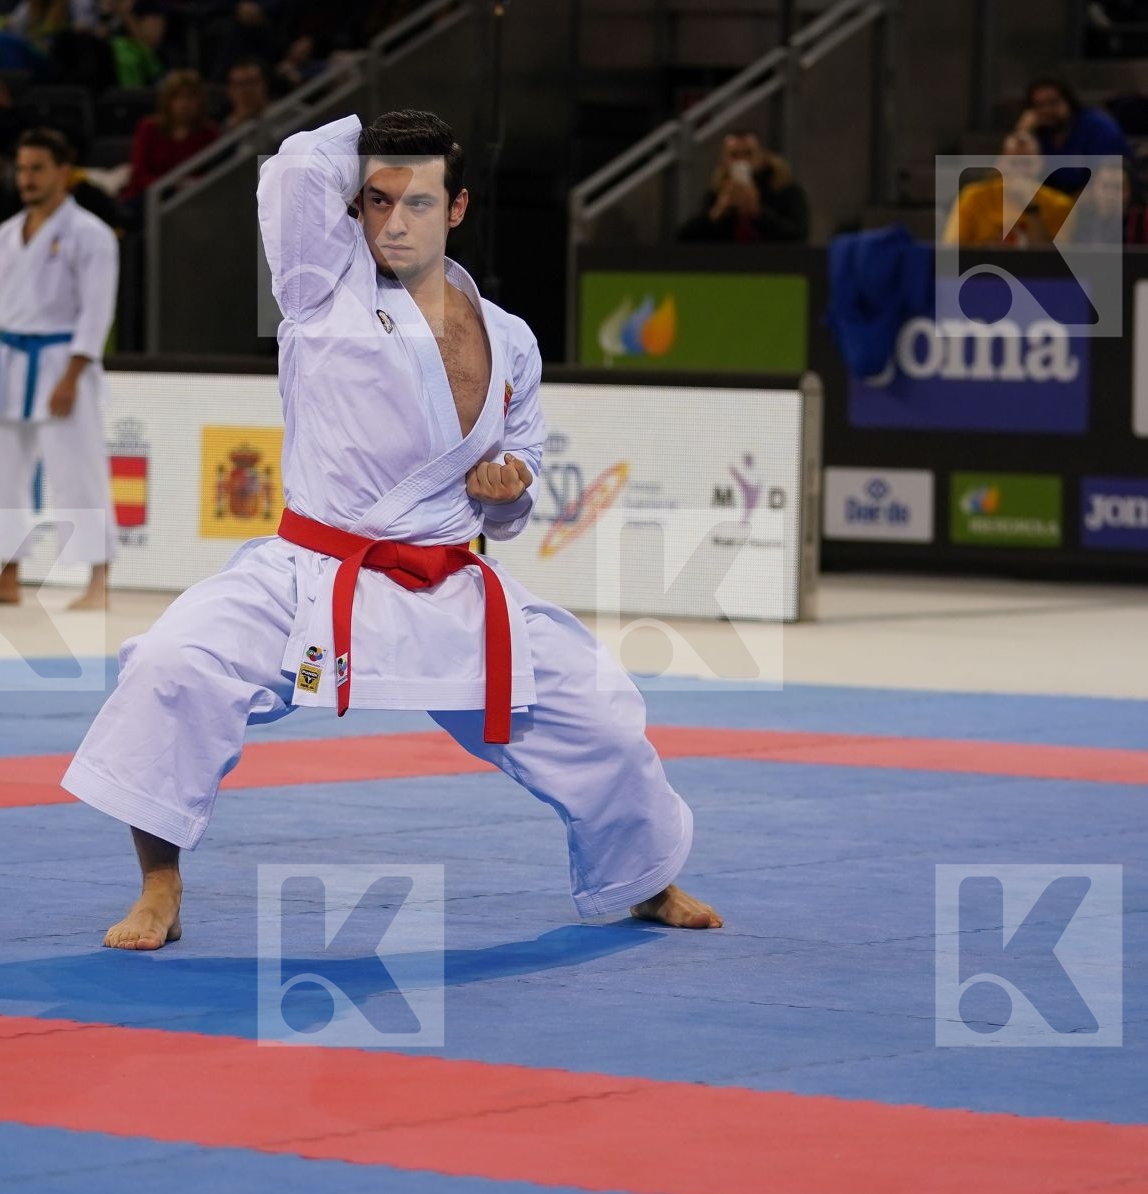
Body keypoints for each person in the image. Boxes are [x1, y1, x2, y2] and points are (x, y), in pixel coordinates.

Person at [63, 109, 719, 952]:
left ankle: (644, 879)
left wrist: (508, 486)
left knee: (596, 717)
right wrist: (381, 130)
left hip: (447, 581)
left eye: (417, 203)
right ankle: (160, 885)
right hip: (311, 570)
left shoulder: (509, 337)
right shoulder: (318, 291)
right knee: (170, 664)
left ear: (456, 210)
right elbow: (295, 168)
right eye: (375, 201)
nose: (393, 221)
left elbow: (518, 479)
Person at [0, 128, 120, 610]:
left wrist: (72, 373)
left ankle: (98, 581)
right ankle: (6, 576)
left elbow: (96, 310)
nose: (26, 178)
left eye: (37, 168)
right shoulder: (5, 234)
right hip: (10, 363)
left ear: (63, 171)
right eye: (20, 169)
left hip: (63, 361)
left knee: (77, 471)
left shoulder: (90, 235)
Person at [941, 130, 1074, 247]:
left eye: (1027, 163)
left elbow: (1057, 266)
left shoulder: (1060, 205)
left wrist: (1031, 208)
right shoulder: (973, 197)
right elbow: (951, 251)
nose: (1020, 171)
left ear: (1040, 165)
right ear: (1001, 163)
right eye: (1014, 162)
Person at [677, 129, 809, 243]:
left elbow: (798, 238)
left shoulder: (786, 191)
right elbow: (684, 240)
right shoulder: (715, 194)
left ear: (762, 157)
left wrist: (758, 212)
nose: (742, 161)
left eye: (748, 154)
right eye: (734, 155)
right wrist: (716, 213)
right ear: (724, 161)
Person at [1019, 74, 1134, 195]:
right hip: (1058, 204)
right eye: (1039, 106)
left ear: (1068, 101)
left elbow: (1108, 183)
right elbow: (1012, 177)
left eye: (1053, 103)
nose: (1046, 111)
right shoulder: (1039, 133)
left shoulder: (1097, 127)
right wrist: (1022, 131)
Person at [121, 68, 219, 203]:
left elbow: (215, 176)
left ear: (200, 101)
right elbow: (139, 174)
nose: (184, 104)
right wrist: (169, 186)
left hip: (192, 200)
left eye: (190, 97)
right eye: (178, 97)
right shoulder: (149, 128)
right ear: (168, 102)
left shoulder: (209, 134)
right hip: (148, 199)